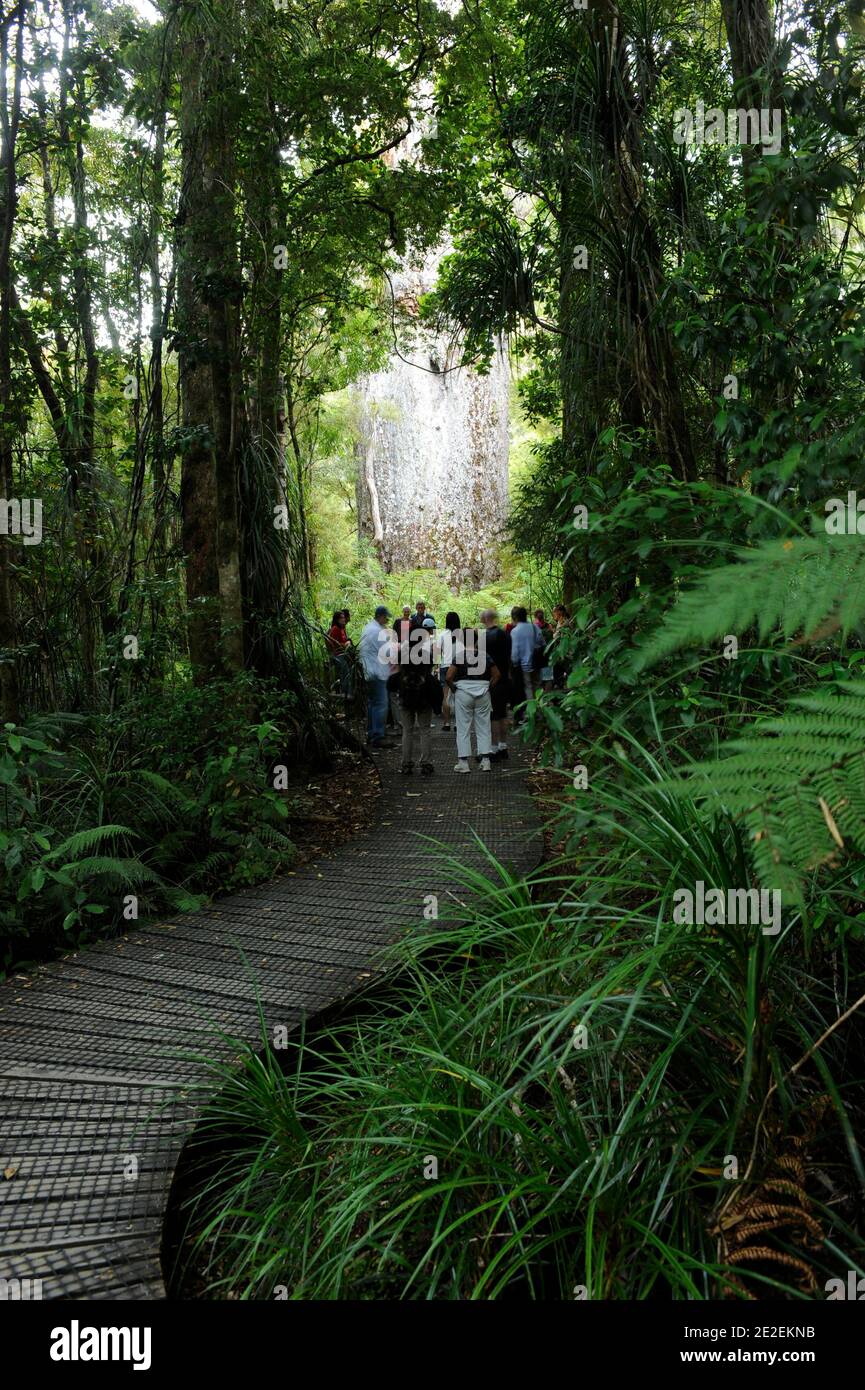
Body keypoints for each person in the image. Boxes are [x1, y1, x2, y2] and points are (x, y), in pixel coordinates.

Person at [445, 629, 501, 773]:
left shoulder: (459, 656)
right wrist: (488, 687)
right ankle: (486, 761)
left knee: (463, 728)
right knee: (483, 727)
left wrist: (454, 689)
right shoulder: (485, 656)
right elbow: (497, 675)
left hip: (463, 692)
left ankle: (463, 763)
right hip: (483, 692)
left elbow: (448, 677)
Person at [398, 621, 438, 776]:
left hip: (406, 695)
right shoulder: (427, 655)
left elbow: (400, 670)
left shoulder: (403, 653)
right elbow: (429, 671)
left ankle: (406, 763)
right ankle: (426, 763)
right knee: (425, 730)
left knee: (407, 731)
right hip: (423, 696)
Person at [358, 605, 393, 750]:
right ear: (380, 616)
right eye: (386, 617)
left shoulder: (367, 629)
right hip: (378, 672)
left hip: (368, 671)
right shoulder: (378, 631)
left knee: (373, 703)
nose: (386, 620)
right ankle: (378, 735)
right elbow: (388, 652)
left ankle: (371, 733)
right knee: (381, 704)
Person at [480, 609, 511, 759]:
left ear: (485, 619)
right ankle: (503, 746)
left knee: (492, 715)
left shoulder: (485, 637)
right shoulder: (504, 634)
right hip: (504, 678)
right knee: (502, 713)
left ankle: (492, 749)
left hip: (491, 680)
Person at [509, 606, 542, 721]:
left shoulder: (515, 631)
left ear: (515, 617)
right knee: (537, 687)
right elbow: (541, 643)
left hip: (524, 664)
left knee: (528, 687)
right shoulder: (534, 627)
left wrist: (514, 663)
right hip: (537, 663)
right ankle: (539, 712)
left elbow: (514, 652)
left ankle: (531, 714)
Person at [438, 611, 461, 730]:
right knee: (458, 695)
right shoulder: (462, 635)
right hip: (458, 667)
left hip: (445, 666)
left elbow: (438, 652)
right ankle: (458, 724)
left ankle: (446, 723)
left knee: (445, 695)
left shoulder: (442, 635)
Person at [326, 610, 352, 699]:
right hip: (337, 654)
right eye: (341, 618)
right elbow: (334, 644)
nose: (344, 619)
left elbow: (344, 641)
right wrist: (345, 644)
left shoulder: (342, 628)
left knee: (350, 670)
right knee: (345, 672)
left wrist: (347, 642)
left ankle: (348, 691)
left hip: (342, 653)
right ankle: (346, 693)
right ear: (337, 620)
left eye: (344, 617)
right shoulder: (335, 629)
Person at [534, 609, 554, 692]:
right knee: (548, 678)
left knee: (539, 680)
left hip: (538, 656)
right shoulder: (549, 626)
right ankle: (547, 698)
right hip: (547, 655)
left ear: (535, 617)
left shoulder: (534, 627)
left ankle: (541, 700)